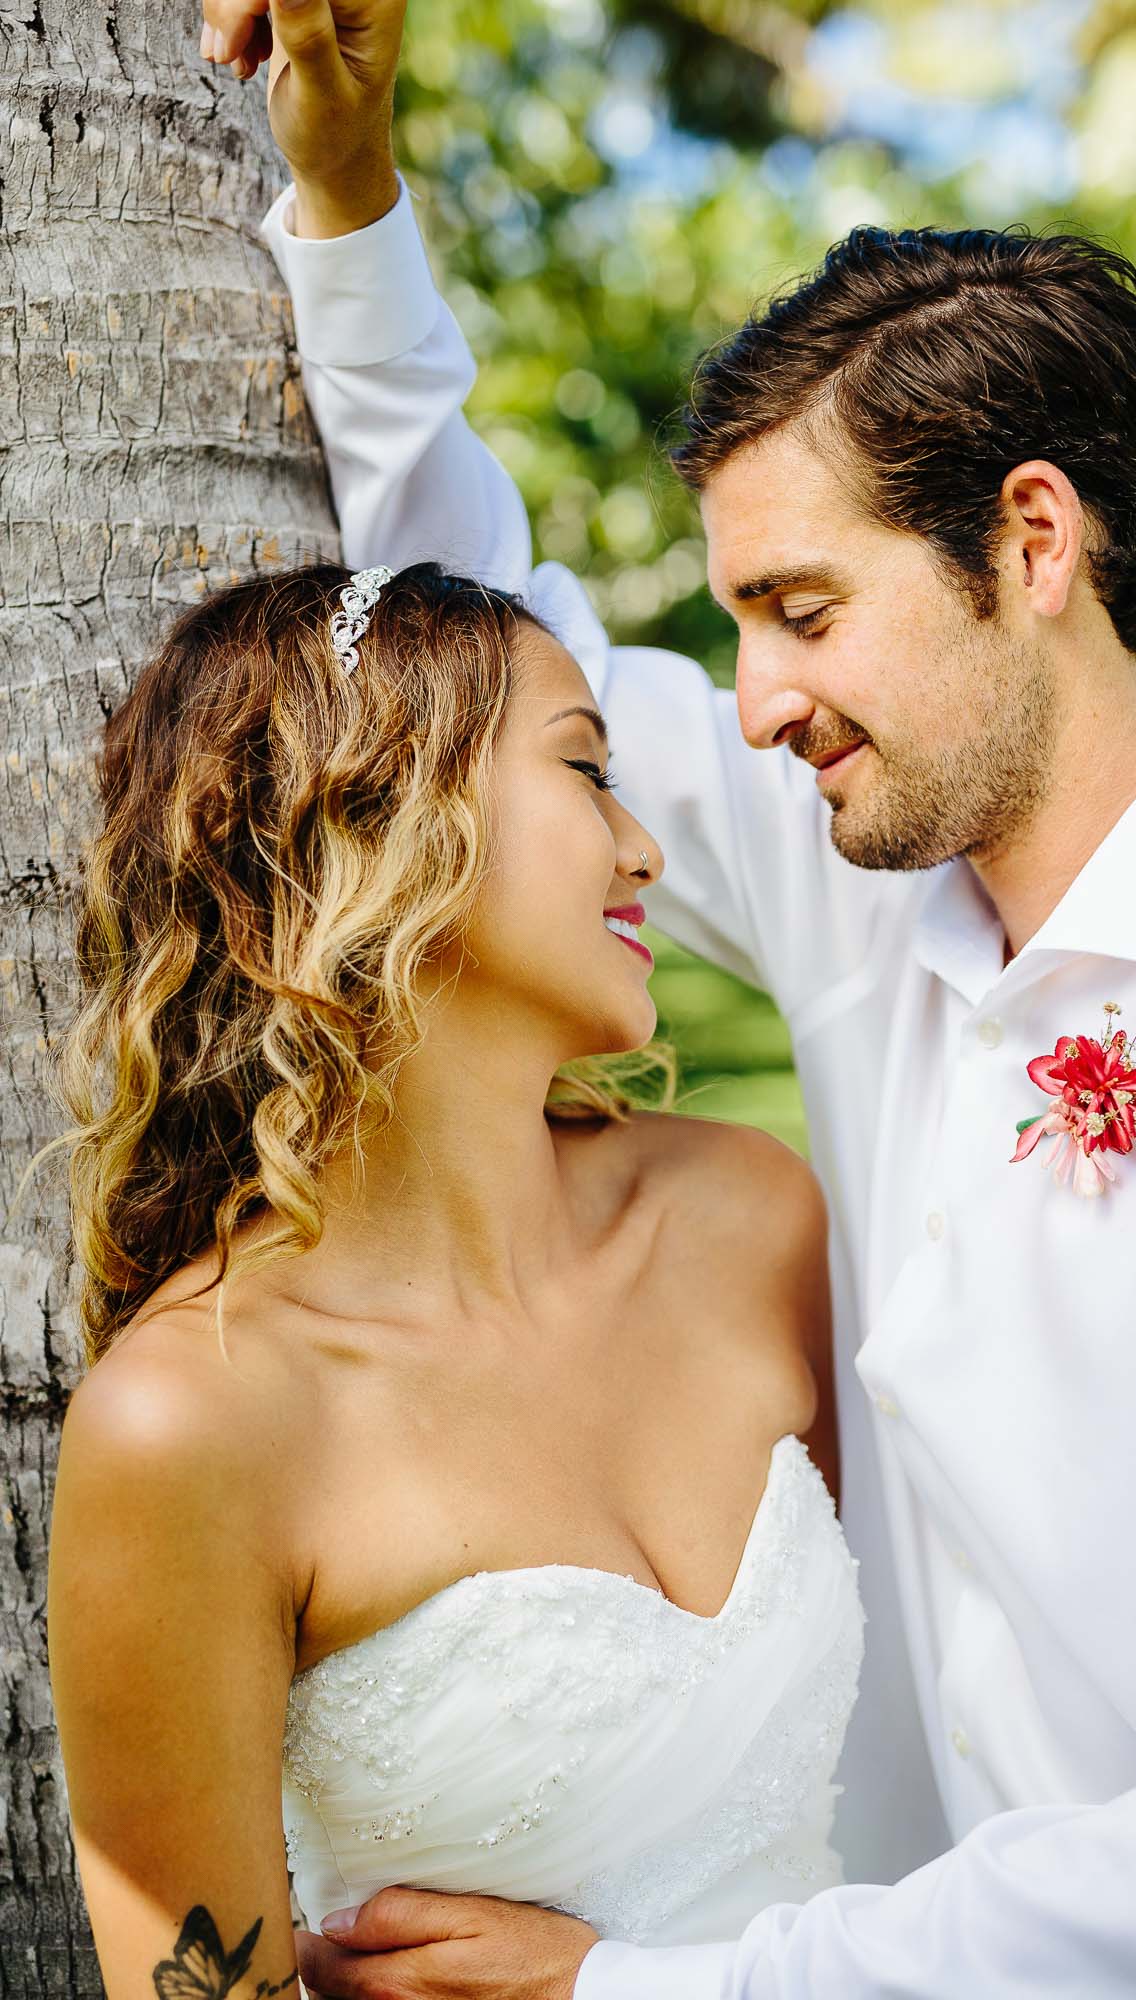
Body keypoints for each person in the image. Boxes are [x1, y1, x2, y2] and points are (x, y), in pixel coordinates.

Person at [207, 1, 1136, 1995]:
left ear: (1036, 537)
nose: (749, 706)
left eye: (800, 613)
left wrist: (627, 1992)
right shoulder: (872, 839)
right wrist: (352, 190)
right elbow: (493, 671)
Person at [43, 560, 866, 2000]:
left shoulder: (746, 1221)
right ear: (381, 815)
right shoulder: (194, 1421)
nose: (642, 852)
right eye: (584, 774)